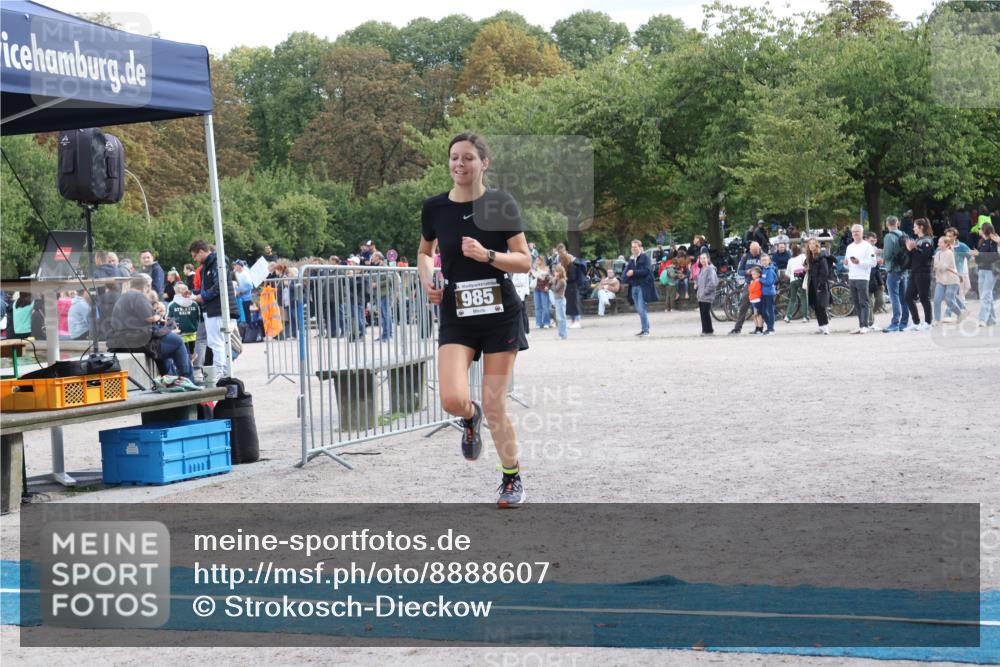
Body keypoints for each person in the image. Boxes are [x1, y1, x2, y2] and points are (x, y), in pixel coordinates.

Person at [417, 132, 530, 508]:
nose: (459, 165)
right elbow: (424, 251)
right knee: (452, 399)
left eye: (468, 158)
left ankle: (511, 478)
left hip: (500, 317)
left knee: (496, 403)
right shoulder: (434, 208)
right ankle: (470, 417)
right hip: (457, 315)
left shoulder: (500, 203)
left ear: (484, 163)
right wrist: (429, 281)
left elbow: (525, 260)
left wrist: (488, 255)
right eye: (454, 158)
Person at [107, 274, 193, 381]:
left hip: (124, 340)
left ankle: (171, 380)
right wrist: (159, 316)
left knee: (165, 350)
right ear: (146, 286)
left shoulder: (124, 297)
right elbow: (150, 318)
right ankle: (187, 379)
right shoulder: (137, 296)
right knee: (178, 341)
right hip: (138, 341)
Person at [189, 239, 237, 382]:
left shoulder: (216, 263)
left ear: (202, 251)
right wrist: (194, 293)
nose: (195, 260)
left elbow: (218, 287)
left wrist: (201, 296)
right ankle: (223, 370)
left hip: (218, 309)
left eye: (195, 256)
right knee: (218, 342)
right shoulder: (210, 265)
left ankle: (220, 372)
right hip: (216, 308)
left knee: (217, 342)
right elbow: (211, 287)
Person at [843, 224, 877, 334]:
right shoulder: (849, 247)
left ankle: (865, 325)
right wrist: (846, 264)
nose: (855, 233)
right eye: (853, 232)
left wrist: (860, 262)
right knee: (856, 302)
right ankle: (861, 324)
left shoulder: (867, 246)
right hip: (852, 277)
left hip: (863, 277)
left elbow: (874, 262)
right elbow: (847, 265)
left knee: (864, 302)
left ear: (862, 233)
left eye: (857, 231)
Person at [903, 218, 935, 331]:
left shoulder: (927, 241)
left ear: (921, 227)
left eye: (915, 226)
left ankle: (928, 322)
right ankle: (916, 322)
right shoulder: (917, 240)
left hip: (923, 272)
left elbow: (924, 257)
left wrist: (914, 249)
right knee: (908, 297)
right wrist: (909, 249)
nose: (913, 228)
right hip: (914, 272)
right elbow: (912, 257)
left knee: (923, 297)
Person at [622, 238, 657, 336]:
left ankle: (646, 331)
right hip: (634, 287)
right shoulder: (632, 259)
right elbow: (626, 271)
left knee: (642, 308)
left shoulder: (645, 257)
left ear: (641, 248)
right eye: (632, 247)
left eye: (635, 247)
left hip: (642, 286)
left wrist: (634, 272)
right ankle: (645, 328)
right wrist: (622, 279)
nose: (633, 249)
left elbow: (647, 271)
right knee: (638, 309)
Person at [881, 216, 910, 333]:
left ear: (887, 224)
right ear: (897, 223)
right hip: (904, 269)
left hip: (893, 270)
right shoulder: (904, 234)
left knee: (894, 297)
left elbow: (887, 255)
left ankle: (895, 323)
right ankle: (904, 323)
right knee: (904, 298)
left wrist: (881, 253)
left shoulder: (889, 236)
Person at [729, 242, 765, 334]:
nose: (754, 253)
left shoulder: (763, 256)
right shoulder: (745, 256)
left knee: (758, 309)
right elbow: (739, 271)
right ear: (750, 249)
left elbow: (768, 268)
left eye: (756, 251)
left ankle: (760, 328)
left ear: (759, 248)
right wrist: (747, 272)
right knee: (743, 306)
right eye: (753, 251)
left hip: (760, 285)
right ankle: (737, 328)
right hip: (749, 284)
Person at [932, 235, 964, 324]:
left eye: (940, 242)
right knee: (936, 299)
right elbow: (935, 266)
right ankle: (937, 319)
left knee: (949, 299)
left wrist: (938, 264)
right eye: (938, 242)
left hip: (952, 279)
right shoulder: (938, 253)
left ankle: (960, 313)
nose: (938, 243)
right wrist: (938, 264)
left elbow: (943, 266)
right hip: (940, 279)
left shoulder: (949, 253)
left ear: (946, 244)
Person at [168, 282, 202, 368]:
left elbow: (168, 318)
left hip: (180, 333)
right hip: (193, 333)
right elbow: (198, 317)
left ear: (176, 292)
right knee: (191, 353)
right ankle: (191, 365)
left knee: (183, 354)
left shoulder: (172, 304)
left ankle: (186, 369)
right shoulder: (194, 303)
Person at [971, 222, 998, 326]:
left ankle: (982, 318)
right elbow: (980, 260)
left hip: (991, 271)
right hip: (981, 270)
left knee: (985, 295)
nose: (979, 230)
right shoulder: (982, 242)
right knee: (986, 295)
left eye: (980, 228)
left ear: (985, 230)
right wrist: (976, 256)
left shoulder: (993, 242)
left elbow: (994, 257)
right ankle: (992, 319)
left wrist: (979, 254)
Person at [943, 227, 972, 321]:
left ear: (955, 236)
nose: (948, 237)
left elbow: (970, 254)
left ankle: (948, 314)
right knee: (953, 295)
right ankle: (964, 309)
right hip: (945, 274)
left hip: (956, 274)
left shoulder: (962, 246)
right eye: (946, 235)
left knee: (950, 295)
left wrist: (963, 268)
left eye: (950, 236)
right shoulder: (943, 245)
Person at [806, 238, 831, 335]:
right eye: (810, 244)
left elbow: (825, 272)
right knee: (816, 306)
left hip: (820, 284)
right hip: (812, 284)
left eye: (813, 244)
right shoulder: (809, 257)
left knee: (821, 306)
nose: (811, 245)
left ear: (817, 245)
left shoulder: (821, 257)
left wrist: (821, 285)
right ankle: (821, 326)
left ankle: (826, 327)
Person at [783, 244, 809, 323]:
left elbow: (787, 273)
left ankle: (788, 316)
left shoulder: (790, 260)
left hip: (793, 280)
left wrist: (793, 275)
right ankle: (805, 316)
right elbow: (806, 266)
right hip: (801, 278)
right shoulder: (802, 257)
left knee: (792, 299)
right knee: (804, 297)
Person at [865, 232, 885, 329]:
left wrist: (881, 260)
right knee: (869, 302)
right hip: (866, 277)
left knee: (881, 300)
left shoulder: (876, 249)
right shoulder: (863, 248)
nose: (873, 242)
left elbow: (880, 262)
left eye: (874, 241)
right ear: (866, 240)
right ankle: (870, 322)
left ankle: (869, 314)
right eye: (871, 241)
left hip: (876, 276)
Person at [695, 252, 717, 335]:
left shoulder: (710, 269)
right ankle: (707, 330)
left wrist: (705, 292)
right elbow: (700, 282)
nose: (703, 260)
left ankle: (707, 330)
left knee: (705, 313)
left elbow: (712, 283)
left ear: (707, 259)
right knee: (703, 313)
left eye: (704, 258)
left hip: (707, 295)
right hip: (701, 295)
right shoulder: (702, 269)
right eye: (701, 259)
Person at [530, 256, 552, 329]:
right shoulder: (535, 269)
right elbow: (532, 278)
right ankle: (538, 323)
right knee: (537, 307)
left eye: (538, 260)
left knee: (545, 307)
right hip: (536, 289)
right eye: (536, 260)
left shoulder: (546, 269)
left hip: (544, 289)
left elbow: (550, 280)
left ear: (542, 261)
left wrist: (547, 287)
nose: (537, 261)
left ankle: (546, 322)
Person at [759, 254, 777, 335]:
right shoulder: (763, 270)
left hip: (769, 293)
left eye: (766, 260)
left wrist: (760, 279)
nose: (764, 262)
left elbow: (769, 282)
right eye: (763, 260)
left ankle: (771, 329)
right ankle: (769, 327)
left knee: (770, 311)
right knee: (763, 311)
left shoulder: (770, 270)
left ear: (769, 261)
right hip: (763, 293)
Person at [551, 264, 568, 340]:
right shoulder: (558, 280)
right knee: (559, 318)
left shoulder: (561, 281)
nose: (555, 273)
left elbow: (555, 289)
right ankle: (561, 334)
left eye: (556, 271)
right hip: (557, 300)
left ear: (560, 272)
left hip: (560, 300)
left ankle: (563, 334)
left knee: (561, 318)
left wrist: (553, 282)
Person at [748, 267, 764, 334]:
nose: (752, 276)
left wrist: (751, 284)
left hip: (756, 300)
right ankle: (757, 328)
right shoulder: (754, 282)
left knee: (758, 315)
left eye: (754, 274)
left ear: (758, 274)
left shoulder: (757, 282)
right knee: (755, 315)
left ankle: (760, 328)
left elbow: (751, 290)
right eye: (752, 274)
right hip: (753, 300)